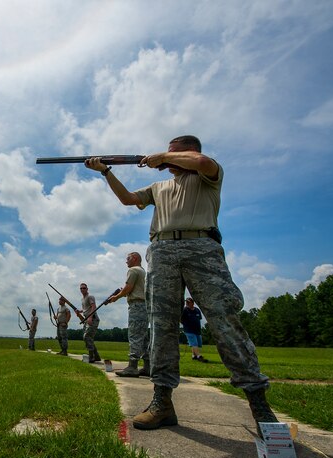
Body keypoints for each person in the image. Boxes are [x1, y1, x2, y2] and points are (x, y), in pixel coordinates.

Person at [84, 135, 277, 435]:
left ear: (187, 152)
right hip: (161, 251)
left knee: (224, 320)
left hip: (202, 248)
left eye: (174, 154)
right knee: (160, 327)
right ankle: (162, 402)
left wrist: (161, 157)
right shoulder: (159, 188)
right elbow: (128, 199)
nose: (168, 158)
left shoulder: (208, 175)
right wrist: (107, 172)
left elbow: (201, 162)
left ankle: (259, 404)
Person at [109, 252, 150, 377]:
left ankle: (132, 367)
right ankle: (148, 366)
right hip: (145, 306)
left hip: (137, 305)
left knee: (134, 335)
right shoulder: (143, 272)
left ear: (135, 258)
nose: (126, 261)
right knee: (143, 338)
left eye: (128, 258)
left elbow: (128, 287)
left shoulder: (133, 270)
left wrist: (116, 297)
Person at [181, 297, 208, 362]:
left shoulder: (197, 310)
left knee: (198, 343)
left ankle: (194, 355)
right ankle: (199, 356)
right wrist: (186, 325)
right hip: (189, 330)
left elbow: (199, 318)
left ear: (192, 303)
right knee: (194, 343)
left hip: (197, 330)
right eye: (186, 302)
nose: (187, 303)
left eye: (188, 302)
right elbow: (181, 319)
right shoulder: (185, 310)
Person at [79, 283, 101, 363]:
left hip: (93, 319)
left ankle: (91, 357)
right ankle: (97, 356)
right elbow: (85, 309)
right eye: (81, 288)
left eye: (84, 288)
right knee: (88, 338)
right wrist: (79, 311)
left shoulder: (90, 297)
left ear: (87, 289)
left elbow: (93, 306)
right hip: (86, 320)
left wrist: (90, 317)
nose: (82, 290)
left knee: (87, 336)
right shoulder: (82, 299)